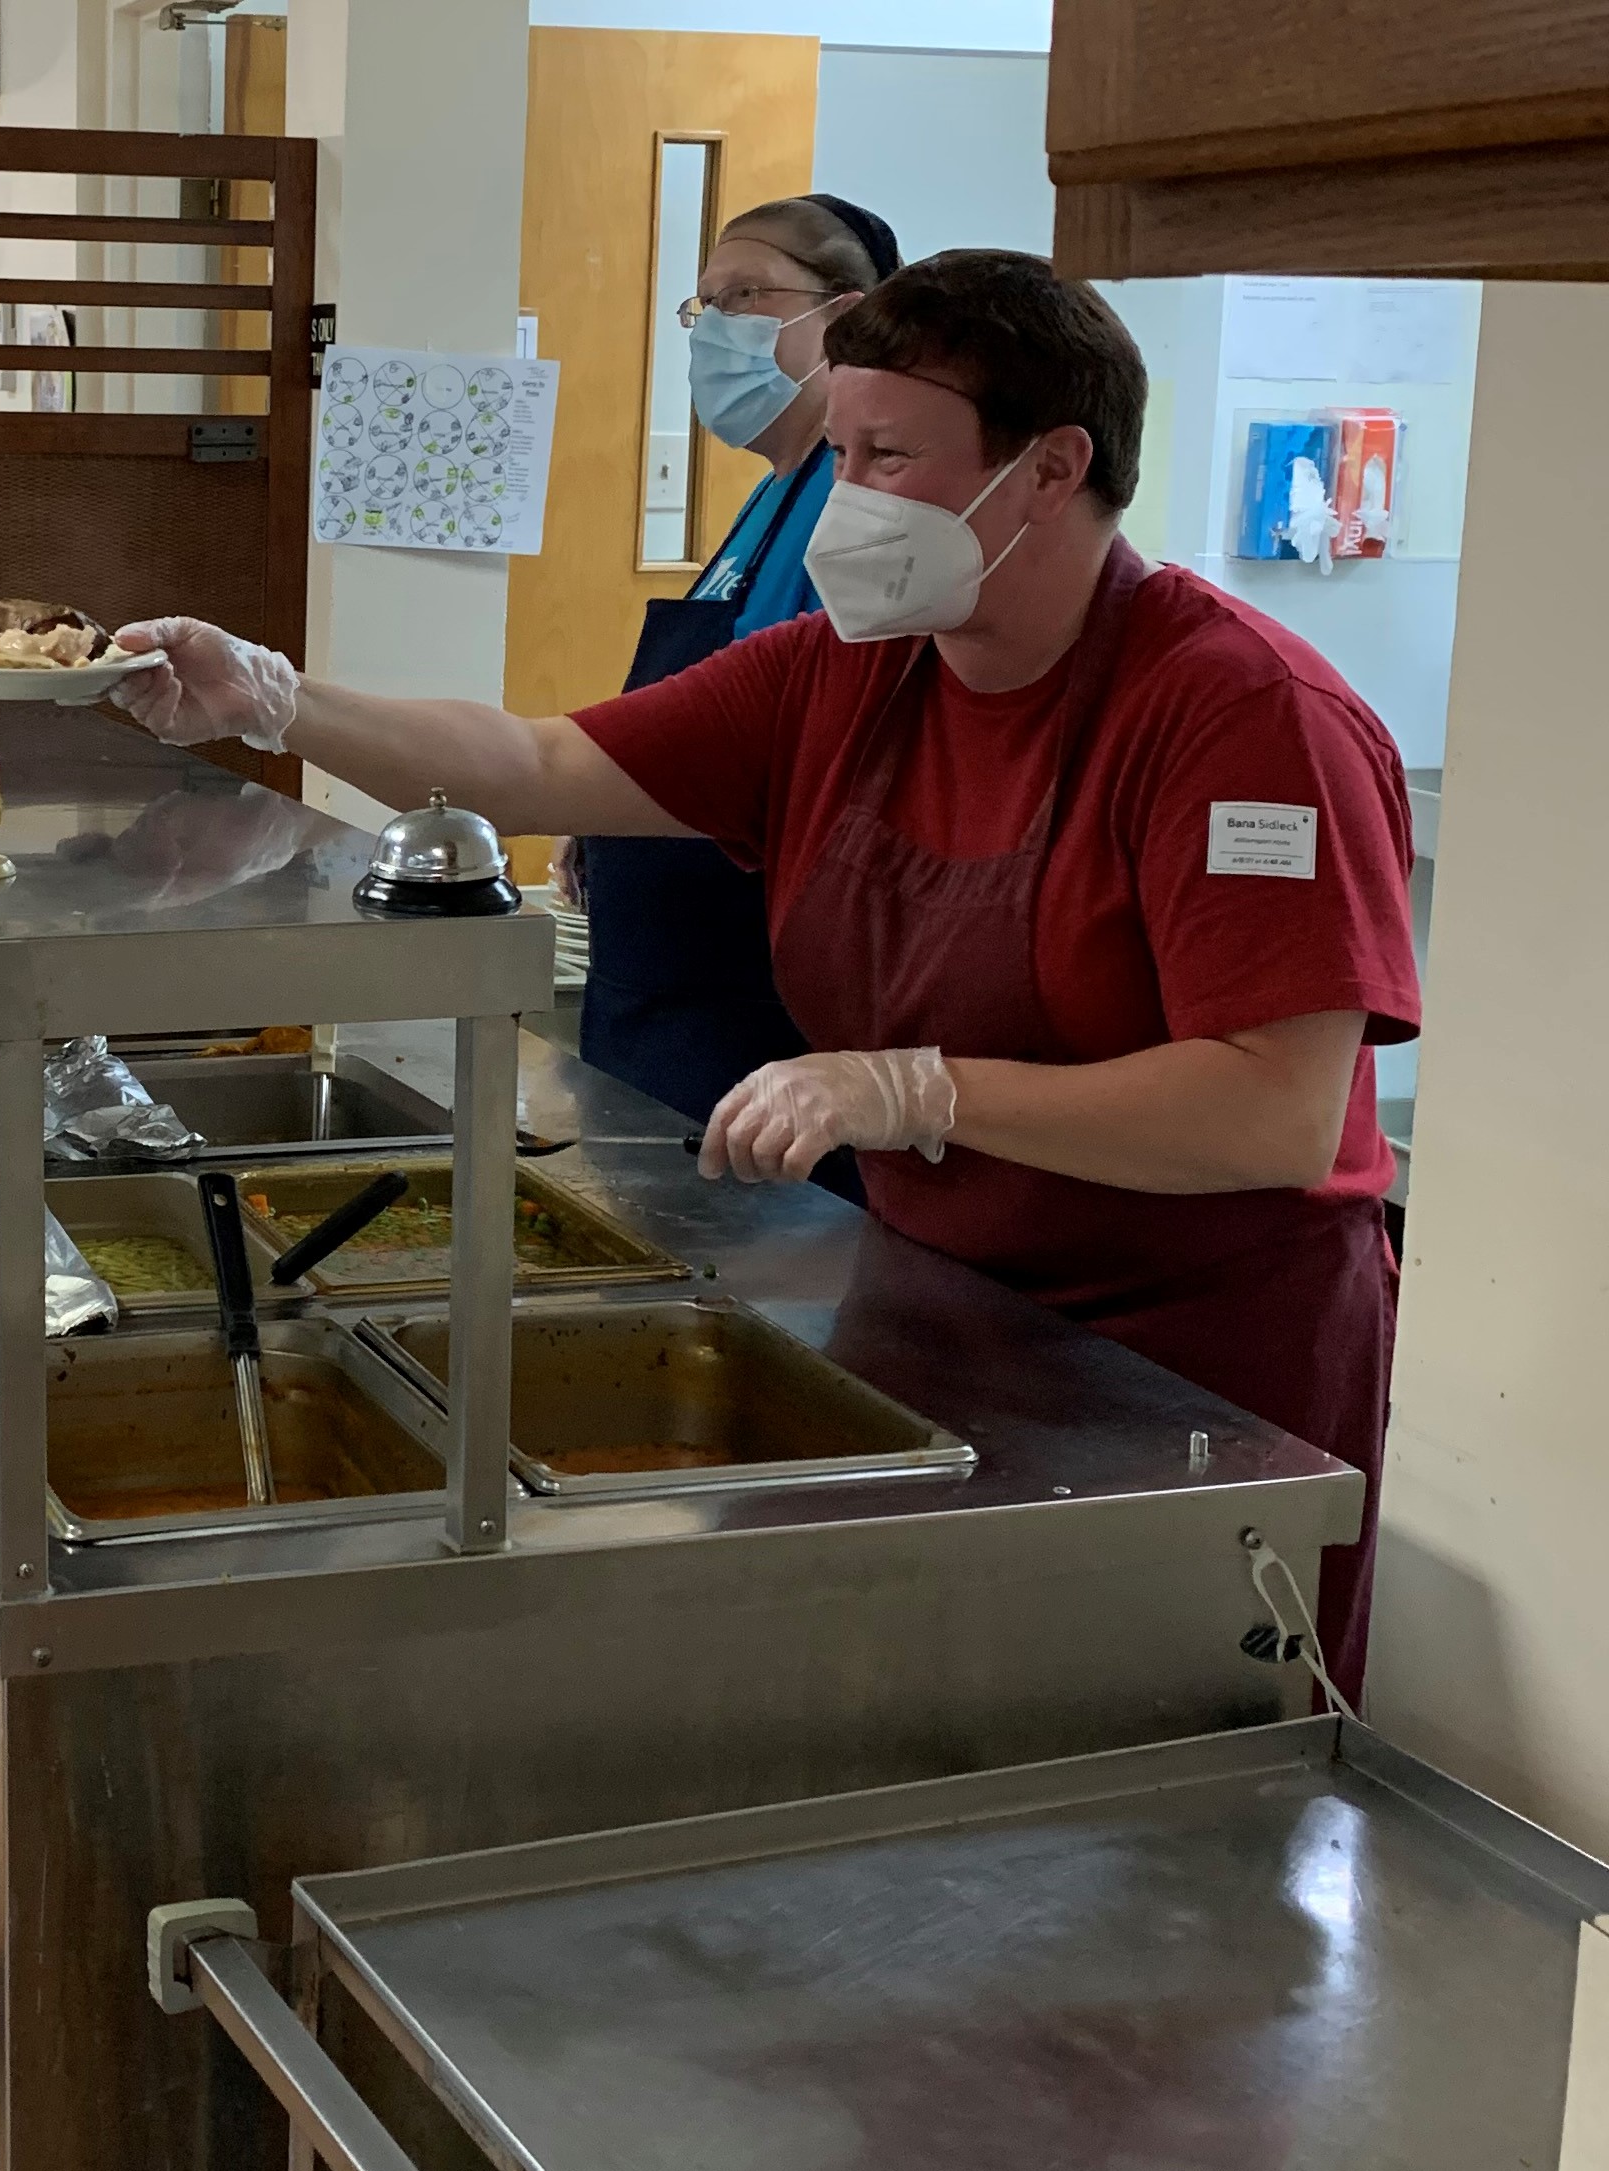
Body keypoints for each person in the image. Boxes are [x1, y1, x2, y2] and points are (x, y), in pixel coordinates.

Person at [115, 251, 1417, 1684]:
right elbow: (543, 760)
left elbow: (1269, 1110)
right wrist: (277, 695)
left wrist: (918, 1088)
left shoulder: (1243, 718)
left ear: (1052, 468)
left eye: (888, 456)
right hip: (950, 1308)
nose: (844, 494)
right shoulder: (846, 674)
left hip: (1197, 1375)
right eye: (840, 449)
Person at [566, 194, 898, 1194]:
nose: (714, 329)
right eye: (701, 305)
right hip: (659, 984)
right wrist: (601, 803)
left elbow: (794, 743)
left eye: (743, 296)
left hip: (743, 986)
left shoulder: (856, 510)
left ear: (842, 315)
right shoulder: (769, 496)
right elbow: (695, 708)